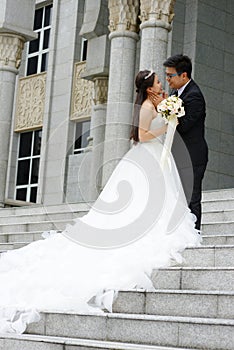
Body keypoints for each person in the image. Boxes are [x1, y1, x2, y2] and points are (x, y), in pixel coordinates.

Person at [0, 70, 201, 334]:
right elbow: (142, 136)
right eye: (157, 82)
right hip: (146, 156)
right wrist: (167, 124)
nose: (161, 84)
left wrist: (168, 116)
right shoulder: (144, 106)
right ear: (148, 88)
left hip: (158, 160)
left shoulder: (155, 103)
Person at [163, 54, 208, 230]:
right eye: (166, 75)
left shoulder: (194, 96)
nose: (167, 79)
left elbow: (184, 126)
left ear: (184, 75)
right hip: (178, 155)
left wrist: (166, 108)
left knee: (192, 198)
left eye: (170, 75)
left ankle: (194, 236)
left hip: (193, 156)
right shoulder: (176, 93)